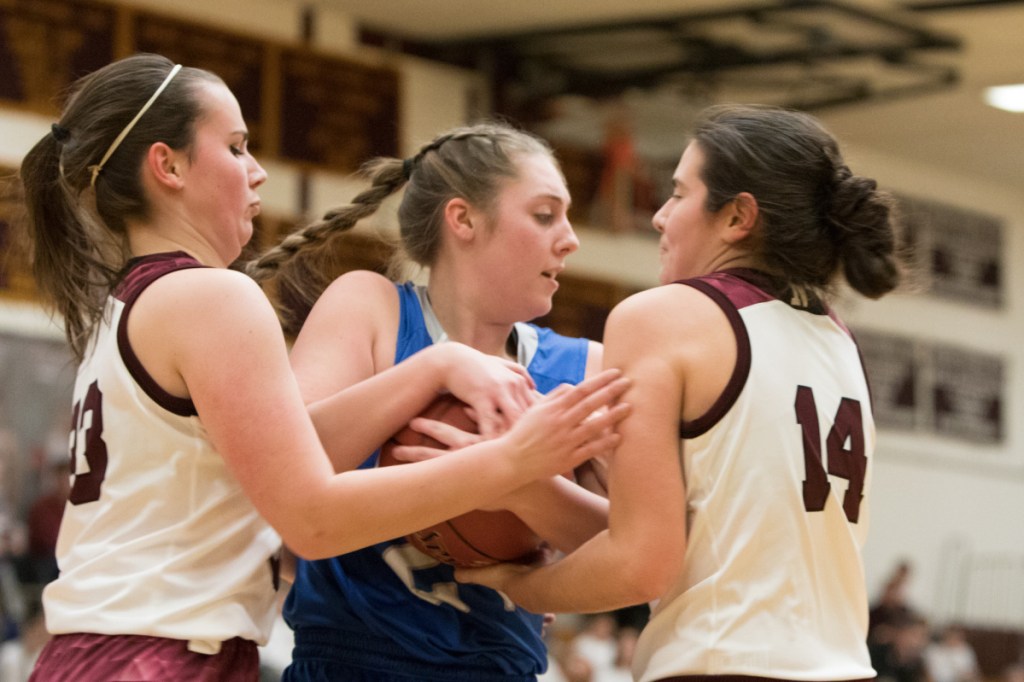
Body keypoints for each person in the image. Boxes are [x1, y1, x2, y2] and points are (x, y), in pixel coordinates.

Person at [16, 53, 629, 681]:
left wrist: (538, 568)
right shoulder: (216, 298)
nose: (256, 172)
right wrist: (508, 464)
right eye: (235, 147)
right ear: (167, 165)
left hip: (111, 646)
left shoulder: (129, 304)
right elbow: (310, 518)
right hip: (162, 654)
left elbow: (283, 488)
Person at [460, 103, 903, 682]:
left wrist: (513, 585)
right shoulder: (839, 338)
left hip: (723, 666)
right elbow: (712, 531)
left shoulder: (664, 317)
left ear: (738, 217)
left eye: (678, 193)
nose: (660, 217)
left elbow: (641, 564)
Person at [244, 121, 615, 681]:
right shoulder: (370, 307)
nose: (570, 238)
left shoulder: (584, 367)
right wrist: (433, 367)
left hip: (499, 669)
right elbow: (282, 470)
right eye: (544, 215)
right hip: (348, 663)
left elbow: (631, 555)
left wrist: (521, 488)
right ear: (463, 218)